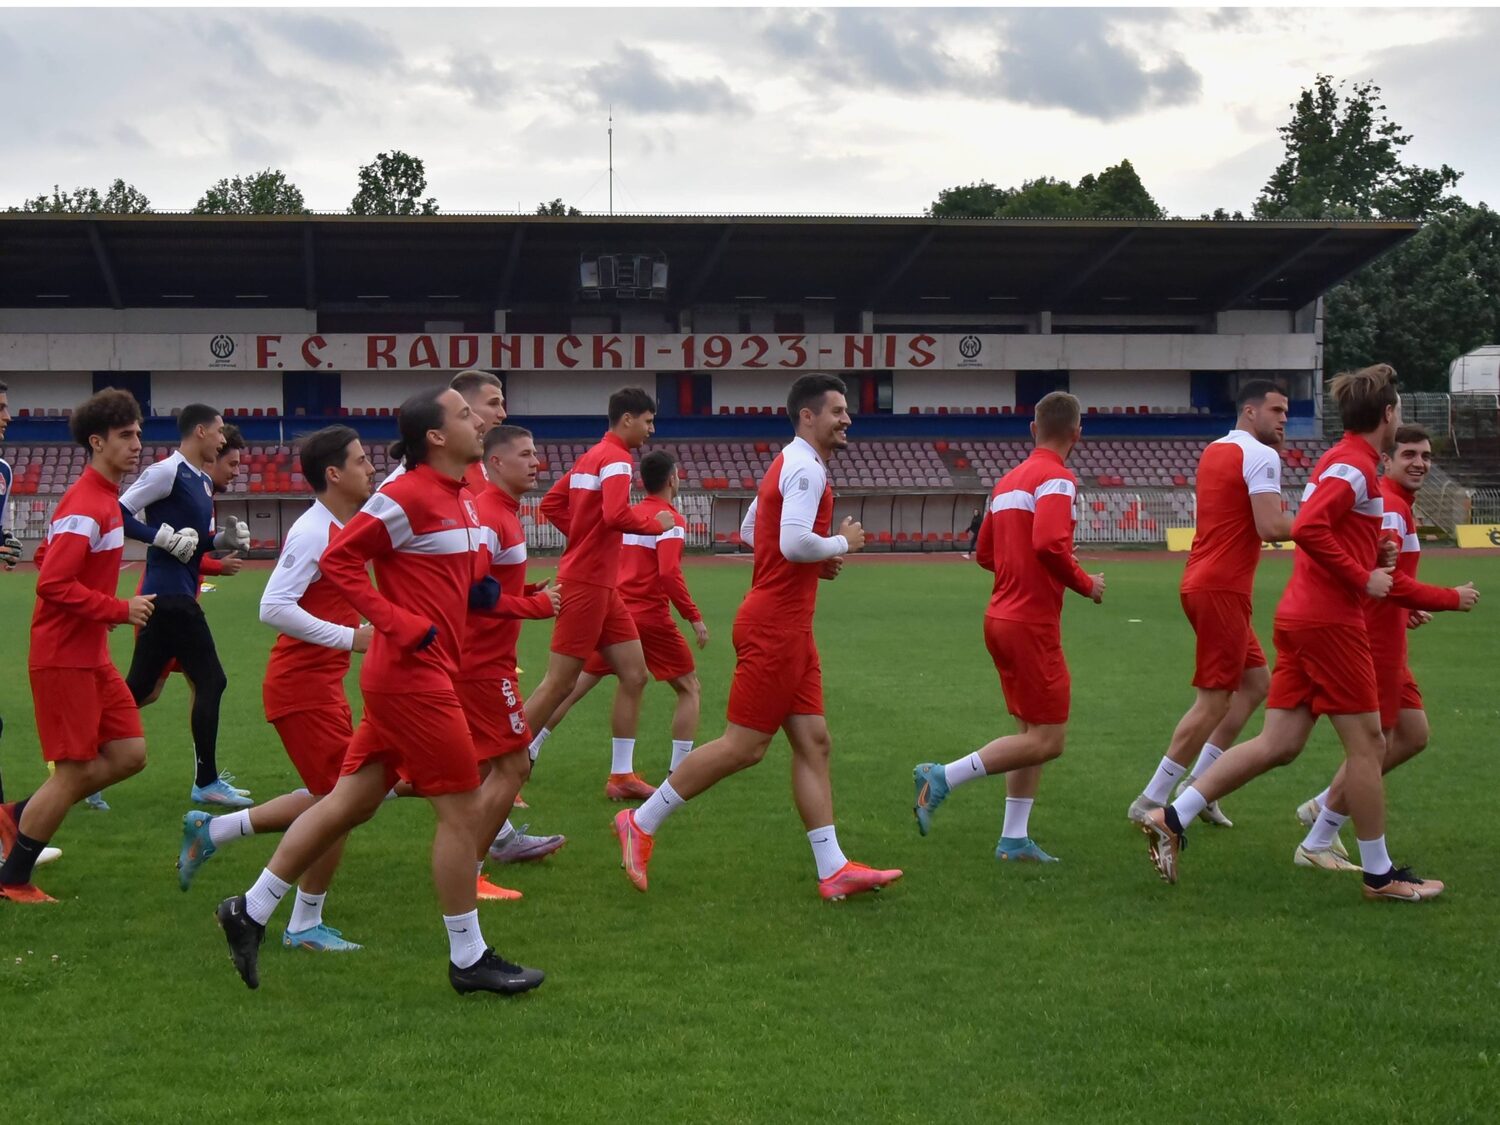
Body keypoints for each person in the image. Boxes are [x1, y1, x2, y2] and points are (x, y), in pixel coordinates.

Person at [213, 387, 543, 995]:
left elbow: (466, 590)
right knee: (463, 810)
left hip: (418, 674)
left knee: (350, 801)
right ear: (436, 437)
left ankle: (250, 910)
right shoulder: (404, 495)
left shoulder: (462, 498)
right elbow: (341, 558)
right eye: (468, 414)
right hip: (411, 678)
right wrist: (393, 622)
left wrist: (522, 606)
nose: (482, 421)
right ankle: (468, 959)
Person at [1140, 364, 1445, 902]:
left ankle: (1173, 813)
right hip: (1330, 620)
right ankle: (1380, 875)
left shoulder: (1341, 460)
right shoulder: (1353, 466)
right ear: (1390, 415)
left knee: (1279, 742)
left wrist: (1371, 553)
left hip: (1301, 615)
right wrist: (1363, 575)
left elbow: (1325, 528)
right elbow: (1308, 527)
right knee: (1369, 746)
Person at [612, 373, 902, 900]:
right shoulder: (805, 469)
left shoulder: (790, 462)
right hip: (775, 626)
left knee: (814, 743)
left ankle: (832, 869)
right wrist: (842, 541)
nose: (847, 419)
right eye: (837, 411)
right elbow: (792, 543)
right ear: (808, 416)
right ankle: (641, 822)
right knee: (744, 747)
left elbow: (754, 533)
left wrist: (816, 560)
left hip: (788, 624)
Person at [176, 425, 377, 953]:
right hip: (301, 689)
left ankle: (213, 832)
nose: (370, 468)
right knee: (343, 803)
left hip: (318, 686)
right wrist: (349, 638)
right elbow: (273, 607)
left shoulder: (340, 523)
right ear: (333, 474)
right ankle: (302, 924)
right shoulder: (314, 531)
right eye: (360, 461)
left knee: (331, 798)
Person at [911, 392, 1105, 861]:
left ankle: (1014, 838)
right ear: (1077, 434)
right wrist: (1086, 583)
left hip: (999, 616)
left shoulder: (1006, 481)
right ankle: (942, 776)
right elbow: (1051, 545)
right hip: (1030, 623)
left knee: (1028, 735)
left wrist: (1019, 571)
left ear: (1033, 430)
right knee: (1049, 739)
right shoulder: (1057, 479)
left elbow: (983, 555)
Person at [1292, 424, 1480, 869]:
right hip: (1373, 643)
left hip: (1387, 634)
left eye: (1426, 456)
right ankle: (1320, 834)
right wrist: (1451, 597)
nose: (1420, 463)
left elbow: (1389, 583)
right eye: (1409, 454)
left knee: (1412, 735)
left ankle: (1322, 807)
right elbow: (1390, 583)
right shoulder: (1391, 506)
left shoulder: (1398, 505)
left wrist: (1405, 608)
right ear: (1389, 461)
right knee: (1370, 747)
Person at [0, 389, 156, 902]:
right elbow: (51, 584)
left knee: (130, 753)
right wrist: (118, 609)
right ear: (97, 442)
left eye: (138, 433)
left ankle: (17, 815)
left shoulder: (101, 499)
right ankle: (13, 880)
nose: (137, 444)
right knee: (71, 774)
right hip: (63, 658)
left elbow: (49, 555)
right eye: (126, 436)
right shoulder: (89, 502)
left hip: (89, 655)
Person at [1127, 381, 1291, 829]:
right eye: (1276, 410)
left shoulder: (1215, 449)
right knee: (1214, 701)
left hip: (1204, 581)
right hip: (1222, 587)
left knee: (1256, 683)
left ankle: (1201, 787)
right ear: (1250, 412)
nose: (1283, 419)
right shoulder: (1262, 456)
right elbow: (1272, 526)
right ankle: (1152, 799)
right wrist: (1324, 522)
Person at [523, 387, 675, 800]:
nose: (651, 429)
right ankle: (501, 761)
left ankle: (621, 776)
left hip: (601, 583)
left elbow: (553, 504)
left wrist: (583, 537)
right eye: (647, 420)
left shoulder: (591, 457)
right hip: (588, 583)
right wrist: (654, 525)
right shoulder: (618, 460)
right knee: (559, 682)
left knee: (634, 673)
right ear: (627, 419)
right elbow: (615, 514)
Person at [534, 449, 709, 778]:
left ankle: (532, 746)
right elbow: (669, 573)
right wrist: (694, 616)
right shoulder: (667, 520)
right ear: (672, 479)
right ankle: (681, 769)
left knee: (570, 686)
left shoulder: (631, 515)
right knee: (689, 687)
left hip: (613, 610)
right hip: (650, 616)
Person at [120, 402, 251, 808]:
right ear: (199, 432)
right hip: (171, 598)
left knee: (139, 691)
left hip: (172, 597)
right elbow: (117, 512)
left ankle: (80, 758)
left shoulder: (202, 482)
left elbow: (192, 545)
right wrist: (157, 537)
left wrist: (222, 540)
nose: (222, 440)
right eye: (218, 433)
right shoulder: (166, 471)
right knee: (212, 680)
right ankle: (206, 781)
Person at [457, 424, 563, 902]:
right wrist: (534, 607)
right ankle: (471, 874)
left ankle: (468, 863)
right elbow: (474, 593)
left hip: (486, 659)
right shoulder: (488, 515)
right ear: (495, 462)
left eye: (536, 452)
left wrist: (525, 592)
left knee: (474, 770)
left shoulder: (504, 513)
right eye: (525, 454)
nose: (536, 461)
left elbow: (490, 585)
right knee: (513, 766)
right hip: (482, 663)